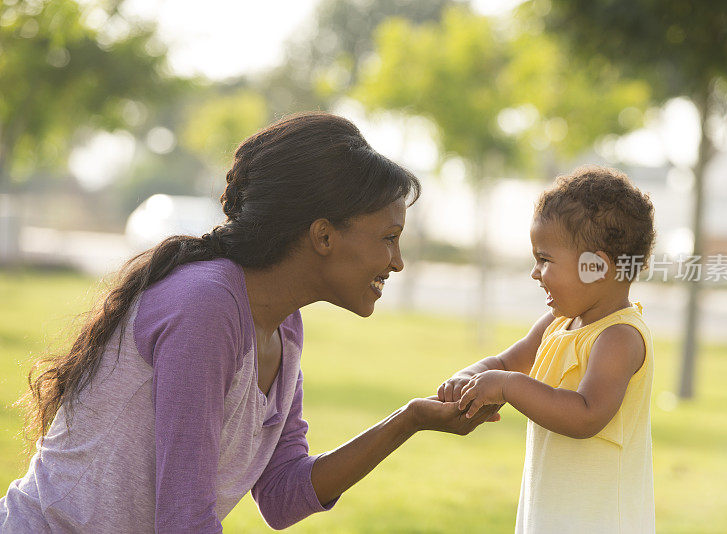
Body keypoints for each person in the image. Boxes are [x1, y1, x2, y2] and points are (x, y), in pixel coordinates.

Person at [0, 112, 501, 533]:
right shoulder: (206, 307)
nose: (397, 262)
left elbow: (283, 494)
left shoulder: (284, 326)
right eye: (389, 237)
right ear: (323, 236)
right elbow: (185, 520)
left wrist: (411, 419)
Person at [438, 165, 656, 533]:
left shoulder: (619, 337)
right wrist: (470, 377)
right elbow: (509, 361)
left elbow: (586, 415)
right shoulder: (557, 324)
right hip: (553, 515)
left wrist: (507, 386)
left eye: (545, 260)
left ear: (594, 268)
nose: (535, 273)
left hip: (599, 523)